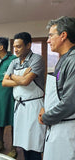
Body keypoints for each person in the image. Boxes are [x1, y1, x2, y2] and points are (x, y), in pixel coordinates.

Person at [2, 32, 46, 160]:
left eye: (19, 46)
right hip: (19, 106)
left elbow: (26, 82)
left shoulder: (37, 59)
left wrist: (11, 75)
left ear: (28, 45)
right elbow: (4, 83)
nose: (15, 49)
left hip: (34, 106)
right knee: (23, 144)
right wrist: (20, 77)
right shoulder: (14, 62)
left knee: (34, 143)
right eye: (14, 46)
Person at [38, 16, 75, 160]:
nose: (48, 40)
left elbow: (70, 102)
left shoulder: (72, 61)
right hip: (56, 124)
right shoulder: (63, 59)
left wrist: (47, 116)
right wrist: (45, 108)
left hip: (66, 129)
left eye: (50, 35)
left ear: (63, 35)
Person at [0, 37, 17, 157]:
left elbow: (17, 78)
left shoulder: (13, 60)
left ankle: (13, 148)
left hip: (9, 96)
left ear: (2, 47)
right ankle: (0, 143)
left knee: (12, 122)